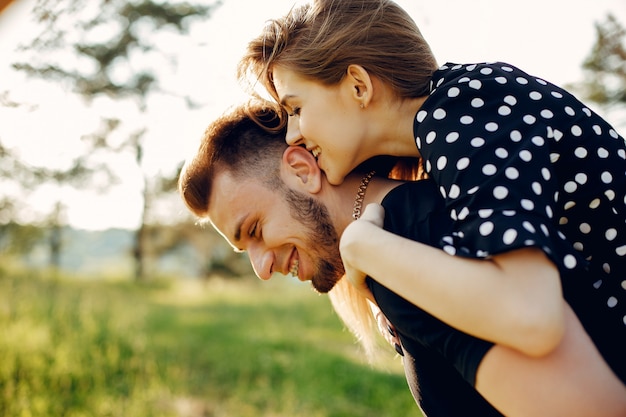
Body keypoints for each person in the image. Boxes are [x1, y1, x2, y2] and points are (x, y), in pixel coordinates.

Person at [236, 0, 626, 388]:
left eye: (297, 108)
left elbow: (533, 315)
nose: (292, 135)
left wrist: (364, 248)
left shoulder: (468, 112)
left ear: (359, 86)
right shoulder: (450, 130)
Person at [178, 101, 626, 417]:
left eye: (255, 230)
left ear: (301, 169)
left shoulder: (404, 249)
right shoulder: (417, 220)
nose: (261, 268)